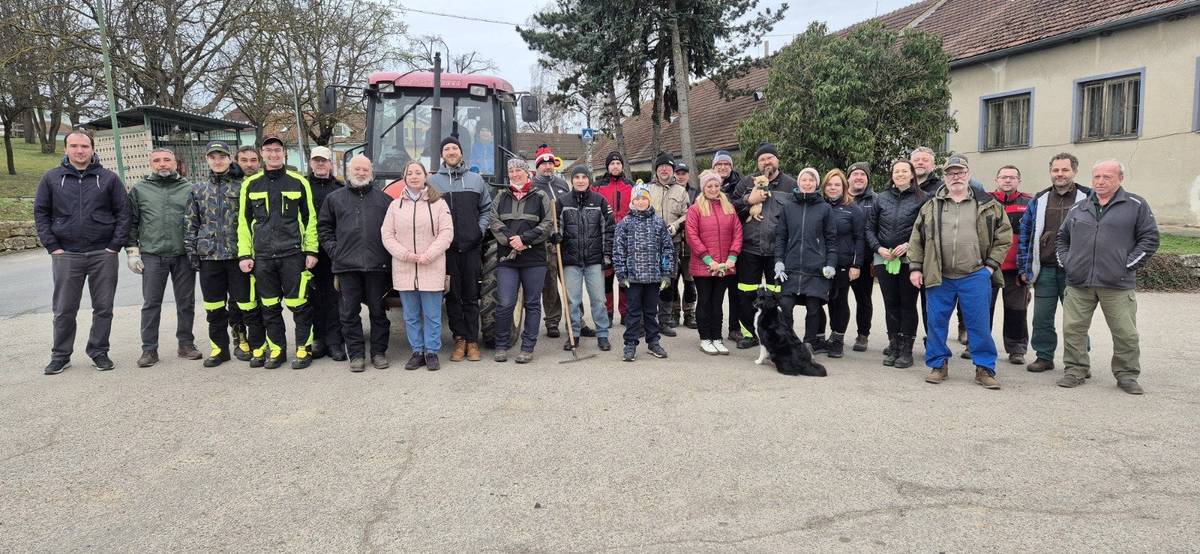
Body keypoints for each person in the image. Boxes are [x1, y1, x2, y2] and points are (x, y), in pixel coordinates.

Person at [908, 155, 1011, 389]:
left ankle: (984, 368)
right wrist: (916, 267)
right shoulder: (931, 205)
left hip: (975, 274)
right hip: (939, 274)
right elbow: (917, 238)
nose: (956, 177)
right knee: (936, 323)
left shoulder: (988, 204)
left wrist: (990, 266)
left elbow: (1003, 237)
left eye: (960, 172)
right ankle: (938, 364)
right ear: (944, 177)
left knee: (979, 324)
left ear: (968, 174)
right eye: (951, 173)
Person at [1056, 160, 1158, 394]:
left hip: (1117, 284)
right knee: (1073, 329)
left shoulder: (1136, 205)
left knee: (1125, 332)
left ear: (1120, 179)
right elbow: (1062, 239)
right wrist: (1068, 263)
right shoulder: (1078, 207)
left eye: (1107, 177)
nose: (1100, 181)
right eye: (1097, 177)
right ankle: (1075, 370)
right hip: (1079, 282)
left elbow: (1150, 239)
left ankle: (1127, 375)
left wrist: (1126, 265)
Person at [33, 130, 130, 375]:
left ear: (92, 149)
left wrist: (114, 247)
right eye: (74, 146)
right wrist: (53, 246)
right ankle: (60, 355)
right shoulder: (52, 178)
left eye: (84, 146)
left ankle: (99, 352)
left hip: (103, 253)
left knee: (103, 308)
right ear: (65, 149)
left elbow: (123, 213)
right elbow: (41, 213)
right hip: (66, 254)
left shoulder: (108, 179)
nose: (79, 150)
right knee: (64, 308)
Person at [237, 134, 319, 370]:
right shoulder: (250, 184)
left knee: (299, 304)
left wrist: (311, 250)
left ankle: (303, 348)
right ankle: (277, 349)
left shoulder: (298, 182)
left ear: (284, 153)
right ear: (262, 153)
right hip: (262, 258)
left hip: (293, 254)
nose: (273, 154)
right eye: (268, 150)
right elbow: (243, 223)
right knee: (269, 307)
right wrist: (245, 255)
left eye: (277, 150)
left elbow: (310, 219)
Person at [185, 141, 265, 368]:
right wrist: (191, 250)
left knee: (246, 305)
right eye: (213, 157)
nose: (217, 161)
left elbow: (252, 222)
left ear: (230, 159)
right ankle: (219, 348)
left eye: (222, 156)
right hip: (209, 257)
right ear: (207, 160)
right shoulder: (198, 189)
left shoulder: (243, 187)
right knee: (214, 308)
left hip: (237, 255)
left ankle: (252, 343)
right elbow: (191, 223)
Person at [316, 155, 393, 372]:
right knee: (349, 313)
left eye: (365, 169)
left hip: (377, 266)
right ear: (349, 171)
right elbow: (324, 228)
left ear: (371, 172)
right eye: (357, 169)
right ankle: (356, 354)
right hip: (347, 266)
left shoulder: (384, 200)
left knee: (378, 312)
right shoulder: (334, 198)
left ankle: (378, 353)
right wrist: (335, 251)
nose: (361, 173)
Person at [1017, 153, 1092, 373]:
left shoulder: (1088, 198)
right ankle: (1044, 356)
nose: (1060, 174)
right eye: (1055, 170)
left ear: (1074, 172)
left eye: (1065, 170)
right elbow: (1026, 234)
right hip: (1046, 269)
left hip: (1076, 271)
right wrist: (1025, 268)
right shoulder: (1039, 199)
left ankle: (1078, 362)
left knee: (1076, 321)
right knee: (1042, 318)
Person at [126, 148, 201, 367]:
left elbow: (198, 221)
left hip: (183, 255)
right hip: (152, 255)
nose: (162, 164)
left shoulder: (189, 188)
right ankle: (149, 350)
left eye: (167, 160)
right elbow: (131, 222)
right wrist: (132, 251)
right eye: (157, 160)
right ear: (151, 164)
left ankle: (186, 344)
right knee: (151, 304)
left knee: (186, 302)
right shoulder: (140, 190)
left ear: (175, 163)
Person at [382, 161, 455, 371]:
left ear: (425, 176)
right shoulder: (395, 206)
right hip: (405, 267)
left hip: (431, 265)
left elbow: (446, 232)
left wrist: (429, 255)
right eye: (409, 173)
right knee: (411, 315)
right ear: (404, 177)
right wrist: (404, 254)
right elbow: (387, 234)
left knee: (432, 314)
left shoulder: (439, 203)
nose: (414, 176)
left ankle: (432, 352)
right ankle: (417, 351)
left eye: (418, 173)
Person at [428, 135, 492, 362]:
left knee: (471, 295)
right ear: (442, 154)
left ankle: (473, 341)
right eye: (447, 148)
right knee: (453, 296)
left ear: (461, 153)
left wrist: (479, 230)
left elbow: (487, 209)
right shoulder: (433, 182)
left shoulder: (476, 180)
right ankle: (459, 338)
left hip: (472, 247)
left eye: (455, 148)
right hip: (447, 251)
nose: (451, 151)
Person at [730, 143, 796, 349]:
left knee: (780, 295)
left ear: (777, 160)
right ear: (757, 163)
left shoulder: (790, 184)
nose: (766, 162)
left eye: (770, 158)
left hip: (778, 251)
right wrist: (749, 200)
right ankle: (750, 334)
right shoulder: (745, 183)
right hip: (750, 248)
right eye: (762, 159)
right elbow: (732, 209)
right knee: (746, 293)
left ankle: (782, 333)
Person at [489, 158, 554, 363]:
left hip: (534, 259)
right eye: (512, 171)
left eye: (519, 170)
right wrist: (511, 239)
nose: (515, 174)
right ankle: (501, 344)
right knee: (505, 302)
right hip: (507, 258)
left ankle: (527, 347)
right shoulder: (501, 197)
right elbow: (494, 221)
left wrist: (524, 239)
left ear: (528, 173)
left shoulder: (540, 196)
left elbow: (549, 224)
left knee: (532, 304)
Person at [865, 159, 927, 368]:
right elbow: (869, 229)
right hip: (884, 259)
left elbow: (927, 228)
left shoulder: (923, 198)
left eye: (904, 171)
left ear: (912, 175)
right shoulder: (880, 199)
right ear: (891, 175)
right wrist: (879, 248)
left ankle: (906, 349)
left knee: (908, 304)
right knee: (890, 303)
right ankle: (894, 345)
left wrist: (909, 245)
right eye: (896, 171)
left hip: (910, 260)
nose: (899, 174)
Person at [774, 167, 837, 351]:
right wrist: (779, 261)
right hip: (791, 268)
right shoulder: (788, 206)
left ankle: (809, 343)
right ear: (798, 183)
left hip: (816, 269)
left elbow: (832, 240)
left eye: (811, 180)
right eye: (804, 180)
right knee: (785, 306)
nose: (807, 183)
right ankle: (787, 342)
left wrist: (830, 264)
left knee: (813, 308)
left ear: (816, 183)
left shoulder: (824, 208)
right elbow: (781, 237)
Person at [613, 184, 674, 362]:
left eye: (644, 198)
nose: (641, 201)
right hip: (633, 278)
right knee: (633, 313)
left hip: (653, 277)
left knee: (650, 312)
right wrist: (621, 274)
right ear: (632, 201)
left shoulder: (658, 222)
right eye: (637, 199)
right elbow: (618, 250)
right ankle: (630, 343)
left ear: (649, 200)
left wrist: (666, 273)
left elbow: (667, 249)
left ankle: (653, 342)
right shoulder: (625, 223)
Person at [557, 165, 615, 352]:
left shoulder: (600, 201)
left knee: (598, 299)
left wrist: (607, 255)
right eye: (577, 177)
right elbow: (556, 227)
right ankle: (574, 334)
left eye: (584, 177)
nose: (580, 180)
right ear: (571, 180)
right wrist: (555, 235)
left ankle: (602, 334)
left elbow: (609, 230)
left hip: (594, 260)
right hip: (570, 260)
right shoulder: (562, 202)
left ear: (589, 180)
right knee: (572, 300)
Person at [685, 170, 742, 355]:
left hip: (724, 265)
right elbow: (692, 236)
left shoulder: (729, 207)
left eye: (716, 185)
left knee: (718, 302)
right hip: (704, 265)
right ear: (703, 187)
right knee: (705, 301)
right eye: (709, 186)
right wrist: (708, 259)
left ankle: (717, 337)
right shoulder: (695, 209)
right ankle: (705, 338)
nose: (713, 189)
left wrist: (732, 257)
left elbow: (737, 232)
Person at [306, 146, 345, 361]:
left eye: (324, 161)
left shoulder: (340, 189)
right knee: (312, 297)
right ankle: (318, 338)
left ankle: (334, 340)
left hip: (334, 251)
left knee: (334, 296)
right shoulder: (302, 186)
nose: (320, 164)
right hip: (309, 252)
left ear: (331, 164)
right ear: (311, 163)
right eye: (316, 161)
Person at [821, 169, 865, 358]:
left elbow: (860, 238)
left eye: (837, 184)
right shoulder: (819, 205)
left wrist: (856, 265)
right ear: (824, 187)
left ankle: (837, 339)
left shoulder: (853, 209)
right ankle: (819, 338)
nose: (833, 188)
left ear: (844, 187)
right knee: (819, 300)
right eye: (829, 184)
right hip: (820, 263)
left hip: (844, 262)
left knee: (839, 300)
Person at [991, 165, 1032, 365]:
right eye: (1004, 177)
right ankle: (975, 345)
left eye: (1012, 177)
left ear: (1019, 181)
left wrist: (1028, 267)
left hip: (1016, 269)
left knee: (1016, 310)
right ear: (996, 180)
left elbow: (1034, 236)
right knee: (981, 309)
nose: (1008, 180)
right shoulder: (985, 201)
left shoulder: (1029, 203)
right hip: (988, 267)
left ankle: (1016, 349)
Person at [647, 152, 690, 337]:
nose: (664, 169)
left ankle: (664, 321)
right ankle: (647, 321)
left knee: (667, 283)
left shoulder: (681, 191)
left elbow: (687, 214)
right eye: (661, 166)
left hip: (671, 245)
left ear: (673, 170)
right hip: (649, 245)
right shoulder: (648, 189)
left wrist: (676, 225)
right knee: (648, 283)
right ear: (656, 170)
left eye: (668, 167)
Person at [531, 144, 571, 339]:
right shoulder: (533, 187)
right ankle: (552, 322)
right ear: (538, 166)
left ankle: (576, 321)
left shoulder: (562, 184)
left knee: (571, 283)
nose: (547, 167)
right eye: (543, 164)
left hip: (565, 241)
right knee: (550, 285)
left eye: (550, 163)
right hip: (546, 243)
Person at [593, 151, 633, 325]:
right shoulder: (597, 186)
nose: (615, 166)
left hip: (627, 237)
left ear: (622, 166)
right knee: (607, 278)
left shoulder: (630, 185)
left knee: (624, 278)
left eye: (618, 163)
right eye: (612, 164)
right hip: (605, 237)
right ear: (607, 166)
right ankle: (608, 313)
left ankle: (625, 313)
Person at [711, 150, 743, 342]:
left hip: (736, 245)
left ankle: (734, 328)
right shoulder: (707, 185)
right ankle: (715, 329)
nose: (723, 167)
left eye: (726, 164)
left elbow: (744, 206)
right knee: (715, 293)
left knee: (735, 291)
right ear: (713, 167)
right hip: (714, 248)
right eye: (719, 164)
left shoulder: (741, 185)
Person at [846, 162, 876, 352]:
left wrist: (875, 257)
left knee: (864, 299)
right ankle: (835, 333)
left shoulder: (876, 200)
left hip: (864, 258)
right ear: (848, 177)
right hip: (840, 257)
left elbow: (878, 229)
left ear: (867, 178)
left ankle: (863, 334)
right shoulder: (838, 197)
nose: (858, 177)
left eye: (862, 175)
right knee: (836, 299)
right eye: (855, 174)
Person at [672, 160, 698, 330]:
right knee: (672, 280)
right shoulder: (671, 191)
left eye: (684, 174)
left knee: (690, 282)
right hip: (673, 243)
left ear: (688, 175)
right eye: (678, 173)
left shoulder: (696, 193)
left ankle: (689, 313)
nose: (681, 176)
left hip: (690, 245)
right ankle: (674, 313)